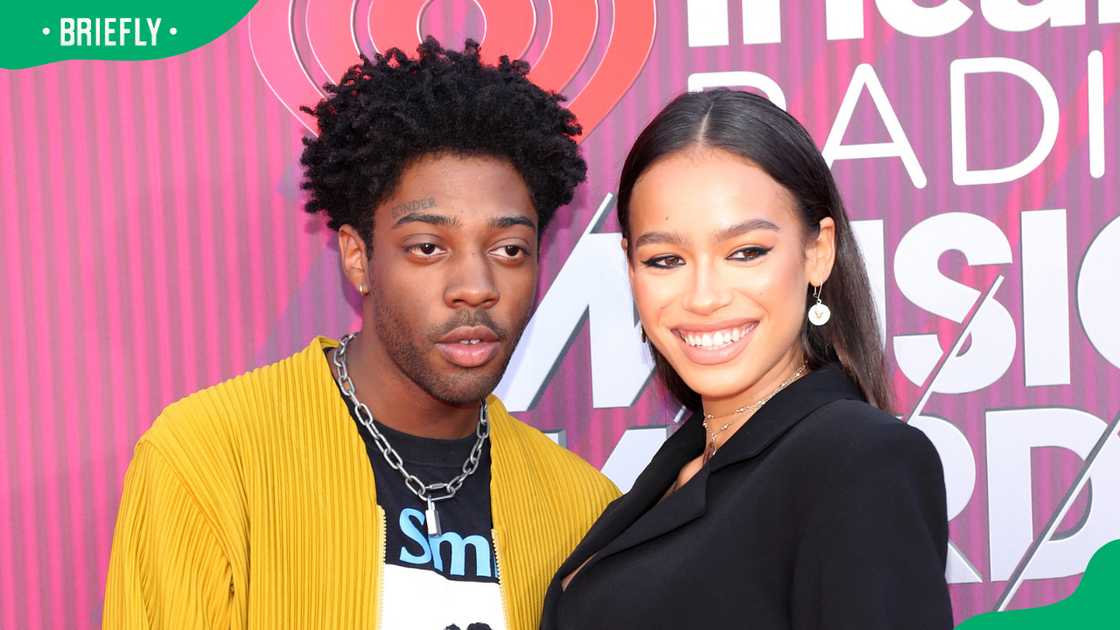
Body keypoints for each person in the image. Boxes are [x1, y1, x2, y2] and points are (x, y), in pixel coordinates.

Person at [102, 38, 618, 630]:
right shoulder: (211, 459)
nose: (476, 286)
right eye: (428, 247)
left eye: (509, 249)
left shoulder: (580, 507)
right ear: (357, 256)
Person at [541, 89, 952, 629]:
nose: (705, 296)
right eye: (665, 259)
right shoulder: (682, 465)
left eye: (746, 252)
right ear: (630, 267)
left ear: (817, 252)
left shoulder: (861, 461)